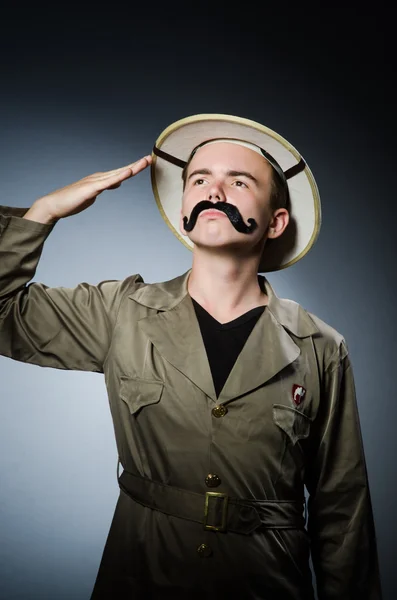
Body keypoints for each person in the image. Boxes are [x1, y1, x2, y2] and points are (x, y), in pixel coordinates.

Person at [0, 114, 382, 599]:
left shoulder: (321, 347)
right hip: (140, 576)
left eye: (238, 181)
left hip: (267, 584)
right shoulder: (121, 312)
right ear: (185, 209)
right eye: (199, 179)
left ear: (275, 221)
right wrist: (41, 215)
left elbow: (342, 509)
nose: (214, 192)